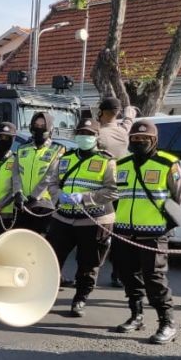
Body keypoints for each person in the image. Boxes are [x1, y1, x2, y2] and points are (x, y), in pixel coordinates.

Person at [110, 119, 181, 344]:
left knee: (155, 279)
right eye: (135, 138)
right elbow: (117, 196)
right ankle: (136, 315)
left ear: (154, 140)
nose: (139, 142)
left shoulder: (167, 163)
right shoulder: (122, 164)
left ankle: (167, 323)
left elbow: (179, 196)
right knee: (128, 277)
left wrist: (166, 223)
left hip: (153, 233)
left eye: (145, 139)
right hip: (124, 232)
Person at [43, 117, 118, 317]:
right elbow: (52, 183)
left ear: (96, 137)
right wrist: (58, 196)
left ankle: (80, 299)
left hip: (94, 220)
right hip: (64, 217)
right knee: (51, 258)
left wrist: (84, 198)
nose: (84, 137)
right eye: (81, 134)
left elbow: (112, 191)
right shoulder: (65, 158)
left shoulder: (106, 161)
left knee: (88, 263)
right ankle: (44, 296)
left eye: (89, 134)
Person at [96, 98, 137, 288]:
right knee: (120, 234)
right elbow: (128, 123)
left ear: (101, 111)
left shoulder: (98, 133)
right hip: (123, 188)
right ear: (117, 113)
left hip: (101, 190)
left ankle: (91, 270)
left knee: (98, 234)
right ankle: (117, 273)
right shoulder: (123, 132)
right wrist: (129, 115)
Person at [14, 112, 66, 234]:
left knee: (40, 242)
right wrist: (18, 192)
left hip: (45, 204)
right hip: (22, 203)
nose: (38, 128)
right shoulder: (22, 148)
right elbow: (16, 173)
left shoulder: (57, 149)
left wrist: (35, 196)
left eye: (42, 125)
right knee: (21, 240)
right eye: (36, 125)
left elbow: (51, 175)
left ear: (49, 128)